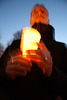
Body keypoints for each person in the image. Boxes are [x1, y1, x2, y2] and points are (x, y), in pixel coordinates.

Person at [0, 4, 67, 100]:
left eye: (43, 12)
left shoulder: (61, 48)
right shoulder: (15, 45)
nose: (39, 13)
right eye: (35, 12)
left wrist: (52, 73)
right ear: (30, 21)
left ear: (48, 20)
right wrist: (7, 75)